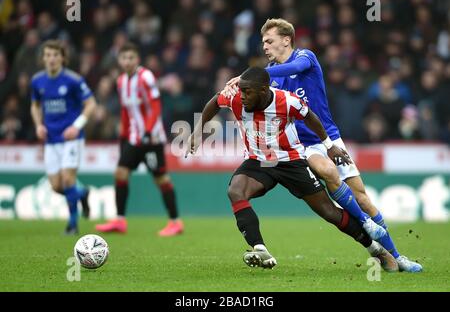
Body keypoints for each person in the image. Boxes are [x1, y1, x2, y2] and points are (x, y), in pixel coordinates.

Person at [224, 18, 422, 272]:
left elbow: (289, 69)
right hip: (300, 145)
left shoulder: (305, 58)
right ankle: (365, 224)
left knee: (361, 196)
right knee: (327, 171)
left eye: (269, 41)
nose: (265, 46)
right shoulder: (270, 78)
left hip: (329, 137)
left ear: (286, 40)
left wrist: (248, 75)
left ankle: (397, 255)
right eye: (263, 42)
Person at [186, 66, 398, 271]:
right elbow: (214, 102)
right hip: (260, 160)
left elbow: (311, 118)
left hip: (291, 161)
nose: (242, 97)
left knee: (329, 212)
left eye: (248, 92)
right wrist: (198, 130)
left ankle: (376, 249)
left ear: (263, 91)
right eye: (241, 91)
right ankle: (259, 248)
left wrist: (329, 146)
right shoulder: (235, 98)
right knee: (235, 191)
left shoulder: (286, 101)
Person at [95, 42, 183, 237]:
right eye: (124, 58)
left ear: (137, 59)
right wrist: (124, 135)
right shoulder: (120, 81)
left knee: (161, 178)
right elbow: (126, 111)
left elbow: (155, 105)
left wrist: (149, 130)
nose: (127, 62)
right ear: (119, 60)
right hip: (133, 138)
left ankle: (175, 222)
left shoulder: (146, 77)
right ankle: (119, 220)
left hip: (151, 139)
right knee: (120, 173)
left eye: (131, 58)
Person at [30, 40, 96, 235]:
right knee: (57, 186)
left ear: (62, 58)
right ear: (43, 58)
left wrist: (76, 126)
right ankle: (83, 194)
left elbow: (91, 104)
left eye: (55, 55)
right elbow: (34, 105)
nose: (51, 59)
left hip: (71, 138)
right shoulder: (37, 81)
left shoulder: (74, 80)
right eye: (48, 55)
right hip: (51, 139)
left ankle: (72, 225)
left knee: (68, 180)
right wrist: (38, 125)